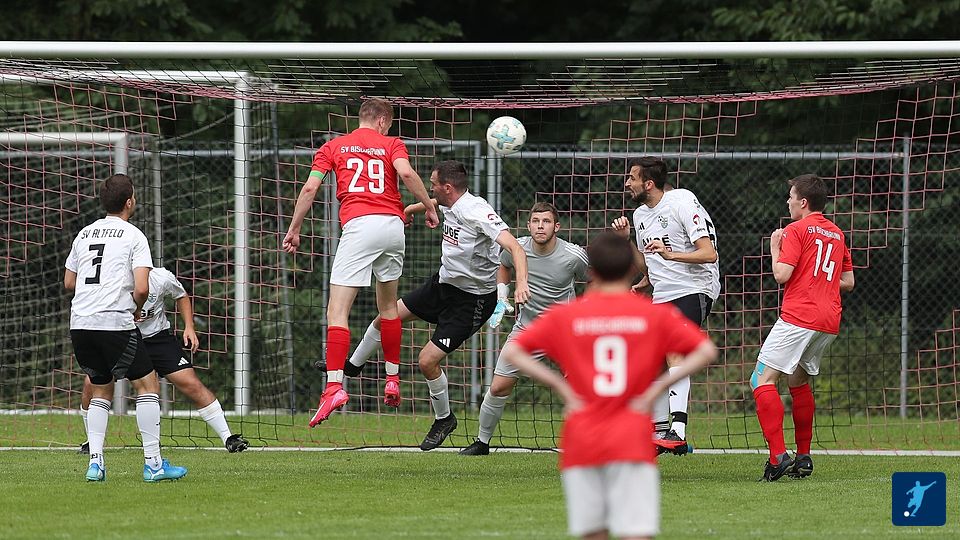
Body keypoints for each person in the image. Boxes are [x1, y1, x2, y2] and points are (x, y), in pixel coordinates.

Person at [501, 232, 717, 540]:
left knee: (593, 533)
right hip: (631, 435)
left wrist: (561, 388)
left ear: (592, 272)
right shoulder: (653, 314)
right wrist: (654, 391)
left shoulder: (568, 315)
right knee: (636, 533)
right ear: (631, 270)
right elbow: (706, 351)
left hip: (582, 436)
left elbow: (514, 351)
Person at [345, 160, 530, 450]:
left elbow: (515, 247)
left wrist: (521, 284)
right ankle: (353, 366)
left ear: (448, 187)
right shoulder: (448, 202)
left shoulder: (476, 211)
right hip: (442, 286)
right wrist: (411, 209)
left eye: (432, 184)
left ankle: (444, 419)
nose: (429, 188)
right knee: (386, 316)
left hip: (472, 301)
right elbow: (433, 203)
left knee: (426, 361)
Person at [282, 98, 439, 427]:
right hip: (393, 226)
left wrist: (295, 228)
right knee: (389, 307)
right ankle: (392, 379)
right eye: (389, 124)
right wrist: (428, 205)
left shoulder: (333, 147)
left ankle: (333, 387)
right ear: (382, 121)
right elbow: (406, 172)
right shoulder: (392, 144)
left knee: (337, 312)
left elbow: (310, 187)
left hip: (360, 225)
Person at [64, 173, 187, 482]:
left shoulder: (84, 233)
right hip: (114, 322)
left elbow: (69, 282)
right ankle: (154, 465)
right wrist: (135, 307)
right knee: (147, 385)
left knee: (100, 387)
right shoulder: (134, 235)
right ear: (130, 201)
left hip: (80, 323)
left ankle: (95, 463)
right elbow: (142, 288)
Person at [460, 202, 588, 455]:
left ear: (557, 227)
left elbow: (594, 279)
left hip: (565, 333)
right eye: (536, 221)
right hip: (527, 330)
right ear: (529, 225)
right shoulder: (516, 248)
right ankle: (482, 443)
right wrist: (502, 296)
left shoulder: (574, 256)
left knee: (579, 388)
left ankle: (581, 444)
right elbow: (504, 266)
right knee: (498, 387)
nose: (540, 226)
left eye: (546, 221)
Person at [610, 156, 719, 455]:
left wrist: (671, 256)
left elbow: (708, 253)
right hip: (663, 295)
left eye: (632, 178)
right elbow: (647, 265)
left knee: (673, 350)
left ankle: (678, 431)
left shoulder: (681, 201)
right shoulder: (639, 215)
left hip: (694, 288)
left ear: (648, 184)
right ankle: (659, 434)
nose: (627, 183)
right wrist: (626, 241)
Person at [78, 266, 249, 454]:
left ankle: (228, 438)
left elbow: (181, 295)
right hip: (122, 338)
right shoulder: (111, 281)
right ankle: (91, 441)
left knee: (190, 384)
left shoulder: (161, 278)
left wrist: (189, 327)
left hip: (157, 339)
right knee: (90, 384)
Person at [750, 174, 854, 481]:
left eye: (791, 197)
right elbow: (848, 281)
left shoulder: (795, 230)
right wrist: (818, 280)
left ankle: (778, 457)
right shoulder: (837, 233)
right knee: (797, 381)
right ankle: (804, 457)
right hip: (828, 320)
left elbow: (781, 275)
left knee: (761, 380)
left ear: (803, 202)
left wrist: (774, 247)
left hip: (800, 316)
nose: (788, 201)